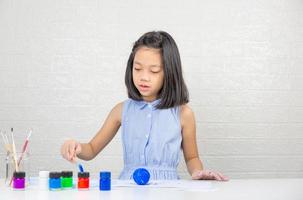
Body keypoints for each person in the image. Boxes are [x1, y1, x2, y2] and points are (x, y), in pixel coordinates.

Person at [61, 31, 228, 181]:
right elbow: (91, 149)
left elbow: (192, 158)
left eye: (154, 71)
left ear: (169, 73)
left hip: (167, 191)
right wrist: (76, 146)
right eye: (138, 69)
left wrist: (199, 173)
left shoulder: (184, 114)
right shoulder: (121, 110)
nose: (144, 77)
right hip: (129, 188)